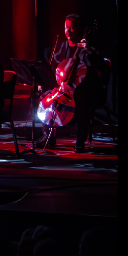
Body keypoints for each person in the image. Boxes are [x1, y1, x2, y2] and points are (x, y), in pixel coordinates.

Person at [45, 13, 105, 152]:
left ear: (80, 29)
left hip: (86, 90)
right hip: (65, 88)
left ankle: (80, 140)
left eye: (71, 28)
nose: (68, 31)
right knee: (46, 98)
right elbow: (56, 67)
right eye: (66, 27)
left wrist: (88, 49)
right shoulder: (63, 46)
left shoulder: (86, 48)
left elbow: (98, 66)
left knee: (81, 101)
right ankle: (48, 136)